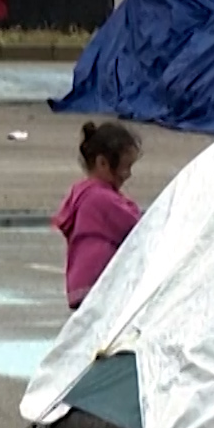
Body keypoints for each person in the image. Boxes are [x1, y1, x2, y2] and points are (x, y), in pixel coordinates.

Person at [53, 122, 143, 311]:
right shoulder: (100, 198)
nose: (128, 174)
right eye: (125, 167)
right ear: (102, 163)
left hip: (82, 282)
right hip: (98, 283)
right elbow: (135, 226)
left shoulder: (82, 191)